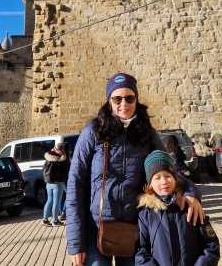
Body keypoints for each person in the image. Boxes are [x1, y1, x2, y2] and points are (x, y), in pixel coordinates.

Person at [66, 73, 205, 266]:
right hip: (94, 228)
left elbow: (170, 170)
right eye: (117, 98)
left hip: (134, 227)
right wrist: (75, 243)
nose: (124, 103)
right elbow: (75, 183)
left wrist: (191, 192)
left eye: (129, 98)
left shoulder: (146, 132)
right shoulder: (93, 132)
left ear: (136, 100)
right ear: (109, 101)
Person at [136, 150, 220, 266]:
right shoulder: (145, 215)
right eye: (157, 178)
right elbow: (141, 251)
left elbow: (211, 245)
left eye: (168, 176)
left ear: (175, 179)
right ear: (150, 183)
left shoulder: (191, 207)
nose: (164, 181)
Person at [42, 142, 70, 227]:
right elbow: (64, 171)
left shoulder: (48, 156)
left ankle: (45, 219)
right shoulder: (61, 158)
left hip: (48, 182)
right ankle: (55, 221)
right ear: (62, 150)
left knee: (49, 200)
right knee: (56, 202)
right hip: (58, 182)